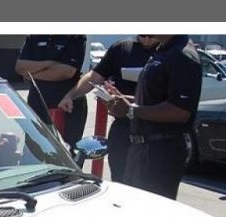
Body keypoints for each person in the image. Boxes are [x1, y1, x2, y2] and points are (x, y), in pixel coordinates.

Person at [105, 35, 202, 200]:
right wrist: (126, 101)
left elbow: (180, 111)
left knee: (149, 213)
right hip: (141, 148)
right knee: (129, 205)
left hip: (161, 151)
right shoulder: (163, 50)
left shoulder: (183, 55)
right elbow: (154, 98)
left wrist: (131, 111)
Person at [58, 35, 157, 182]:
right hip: (123, 127)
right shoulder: (122, 48)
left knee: (150, 187)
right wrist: (71, 95)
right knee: (120, 179)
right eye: (143, 35)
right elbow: (95, 76)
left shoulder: (167, 53)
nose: (147, 40)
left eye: (152, 36)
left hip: (156, 131)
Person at [15, 35, 87, 152]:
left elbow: (66, 72)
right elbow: (20, 67)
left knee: (67, 152)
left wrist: (31, 74)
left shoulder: (75, 37)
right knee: (34, 150)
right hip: (37, 102)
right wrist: (50, 63)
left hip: (67, 105)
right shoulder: (35, 36)